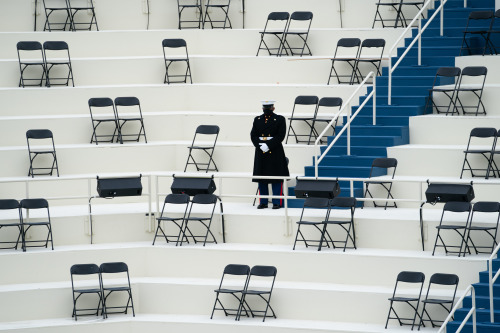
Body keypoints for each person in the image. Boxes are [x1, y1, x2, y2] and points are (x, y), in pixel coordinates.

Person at [250, 100, 290, 209]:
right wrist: (259, 145)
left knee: (276, 177)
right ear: (262, 108)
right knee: (262, 177)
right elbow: (253, 135)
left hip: (275, 150)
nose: (266, 109)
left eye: (269, 107)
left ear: (273, 108)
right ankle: (263, 202)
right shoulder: (257, 120)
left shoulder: (280, 119)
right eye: (265, 107)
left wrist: (268, 145)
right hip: (261, 151)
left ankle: (277, 202)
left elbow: (280, 135)